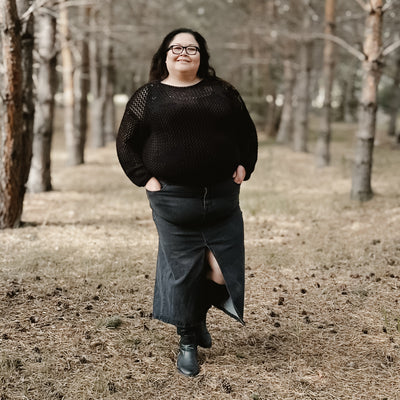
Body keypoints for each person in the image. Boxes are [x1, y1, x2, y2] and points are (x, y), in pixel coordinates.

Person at [116, 27, 257, 377]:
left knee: (222, 273)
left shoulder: (222, 92)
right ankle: (187, 341)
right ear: (164, 55)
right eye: (176, 48)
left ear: (201, 57)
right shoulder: (148, 96)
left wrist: (245, 164)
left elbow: (245, 131)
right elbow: (126, 141)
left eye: (191, 49)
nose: (183, 53)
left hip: (222, 198)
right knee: (183, 273)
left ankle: (195, 317)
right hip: (173, 199)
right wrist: (144, 177)